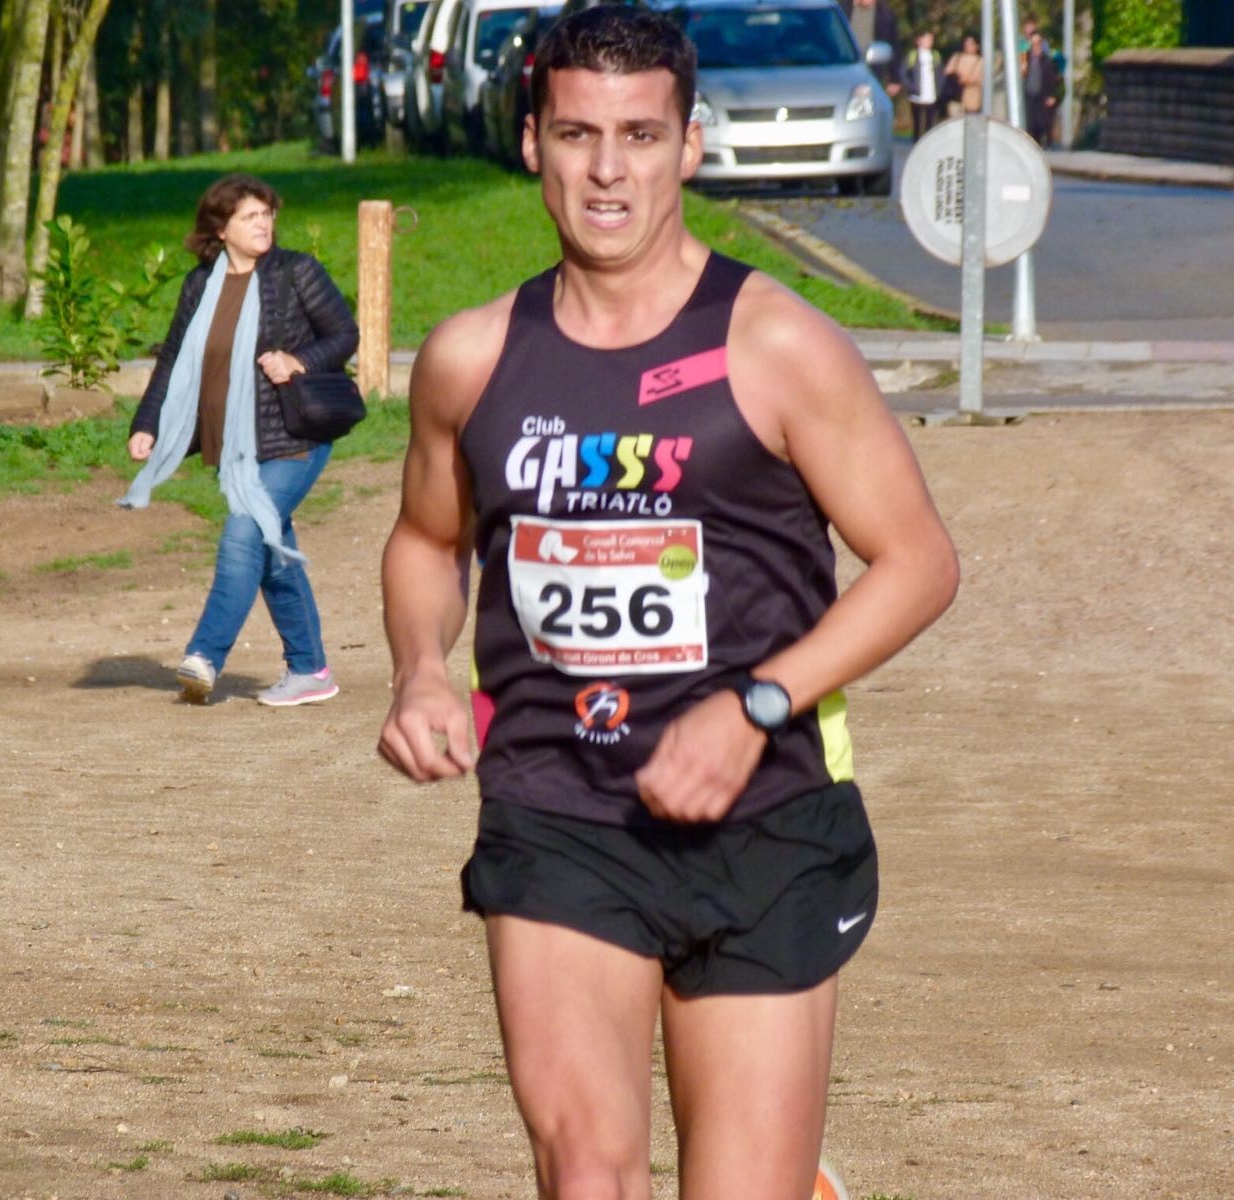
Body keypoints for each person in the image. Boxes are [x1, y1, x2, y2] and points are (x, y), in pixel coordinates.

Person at [377, 7, 959, 1198]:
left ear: (690, 145)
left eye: (639, 135)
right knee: (587, 1174)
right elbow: (429, 542)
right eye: (576, 134)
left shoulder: (778, 344)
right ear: (531, 143)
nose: (608, 171)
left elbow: (916, 562)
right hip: (557, 807)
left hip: (765, 818)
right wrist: (421, 672)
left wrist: (755, 705)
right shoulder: (471, 359)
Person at [123, 174, 359, 707]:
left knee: (242, 533)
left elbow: (344, 334)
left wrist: (298, 360)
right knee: (272, 552)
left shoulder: (296, 272)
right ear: (221, 228)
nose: (263, 223)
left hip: (293, 436)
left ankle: (205, 655)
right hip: (235, 443)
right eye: (250, 216)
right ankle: (310, 670)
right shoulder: (199, 285)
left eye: (267, 214)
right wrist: (148, 424)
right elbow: (174, 359)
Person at [838, 0, 902, 97]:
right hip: (843, 70)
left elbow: (894, 46)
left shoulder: (884, 15)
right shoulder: (841, 10)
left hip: (871, 73)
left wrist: (895, 78)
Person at [1022, 30, 1062, 147]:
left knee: (1043, 123)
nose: (1035, 46)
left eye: (1038, 43)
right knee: (1030, 124)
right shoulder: (1026, 59)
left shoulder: (1047, 60)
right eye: (1033, 43)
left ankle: (1047, 144)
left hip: (1042, 95)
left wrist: (1052, 95)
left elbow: (1052, 79)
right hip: (1029, 95)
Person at [904, 29, 943, 140]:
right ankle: (916, 141)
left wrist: (939, 89)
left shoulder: (935, 55)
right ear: (919, 40)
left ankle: (928, 141)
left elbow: (941, 74)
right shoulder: (913, 55)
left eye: (931, 39)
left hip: (931, 94)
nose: (929, 41)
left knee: (929, 122)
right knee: (917, 121)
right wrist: (910, 87)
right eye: (927, 39)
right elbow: (903, 73)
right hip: (916, 95)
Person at [944, 33, 985, 116]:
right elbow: (947, 72)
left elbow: (980, 79)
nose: (967, 46)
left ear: (977, 46)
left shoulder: (981, 61)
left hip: (973, 99)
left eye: (971, 44)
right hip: (956, 98)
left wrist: (966, 80)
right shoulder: (956, 57)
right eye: (966, 44)